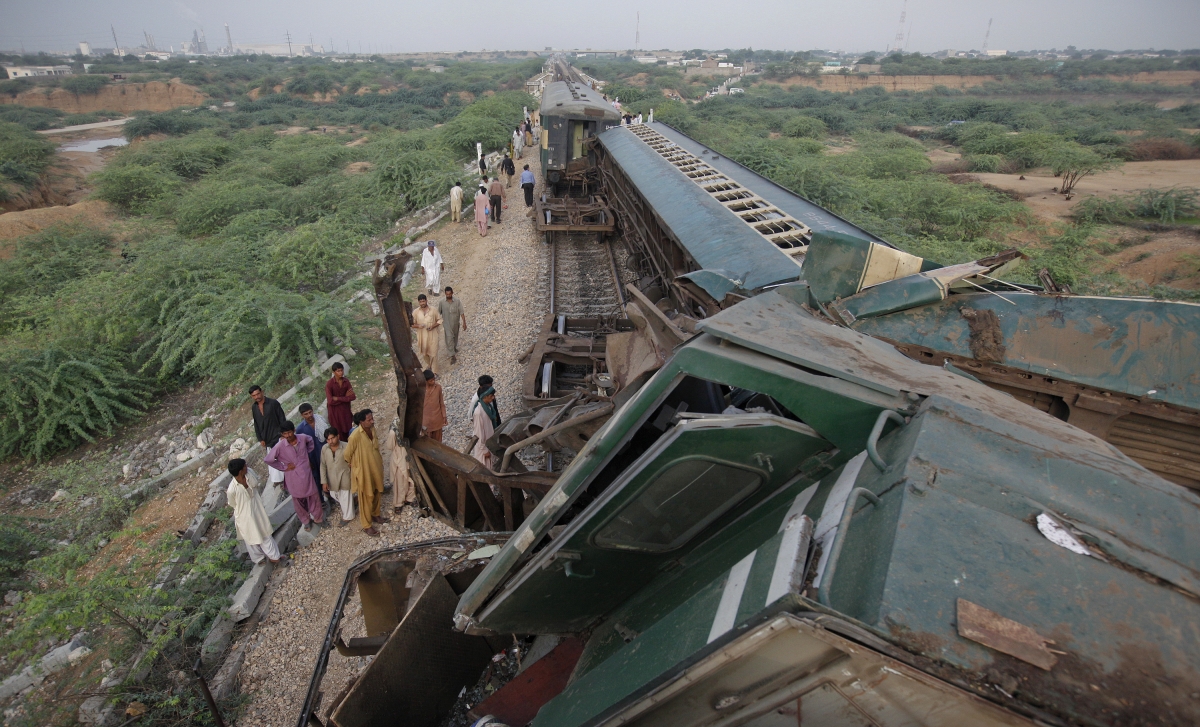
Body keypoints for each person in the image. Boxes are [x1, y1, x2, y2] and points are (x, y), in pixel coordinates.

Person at [264, 421, 324, 531]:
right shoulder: (280, 446)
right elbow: (268, 459)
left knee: (313, 496)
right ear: (282, 434)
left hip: (306, 473)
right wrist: (284, 467)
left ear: (294, 430)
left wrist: (306, 456)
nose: (288, 435)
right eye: (285, 434)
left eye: (289, 432)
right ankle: (306, 521)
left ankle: (318, 518)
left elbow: (310, 442)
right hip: (293, 476)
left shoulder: (302, 438)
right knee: (298, 500)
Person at [226, 459, 282, 566]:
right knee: (251, 537)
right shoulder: (232, 490)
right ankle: (258, 558)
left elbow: (255, 483)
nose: (247, 467)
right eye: (244, 466)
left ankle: (274, 557)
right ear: (240, 471)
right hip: (244, 515)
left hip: (257, 508)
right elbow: (233, 503)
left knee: (265, 532)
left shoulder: (249, 473)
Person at [344, 409, 387, 536]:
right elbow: (347, 455)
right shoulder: (355, 436)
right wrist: (355, 465)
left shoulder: (372, 429)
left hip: (376, 468)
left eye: (372, 418)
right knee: (366, 497)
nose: (372, 421)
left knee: (377, 491)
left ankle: (375, 514)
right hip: (364, 471)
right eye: (369, 420)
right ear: (361, 422)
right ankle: (367, 525)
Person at [250, 385, 288, 487]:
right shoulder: (254, 407)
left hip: (278, 436)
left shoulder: (273, 403)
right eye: (254, 395)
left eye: (258, 394)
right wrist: (260, 438)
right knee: (273, 459)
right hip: (267, 438)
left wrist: (284, 433)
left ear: (262, 392)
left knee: (283, 458)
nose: (257, 397)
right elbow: (256, 424)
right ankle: (279, 481)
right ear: (251, 397)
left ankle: (287, 480)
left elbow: (282, 418)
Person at [296, 403, 330, 508]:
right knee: (316, 478)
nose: (309, 415)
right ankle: (321, 501)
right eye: (306, 414)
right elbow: (301, 448)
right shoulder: (300, 429)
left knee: (329, 474)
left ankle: (332, 496)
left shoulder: (321, 421)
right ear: (302, 415)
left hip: (325, 453)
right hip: (312, 457)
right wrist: (308, 461)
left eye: (310, 412)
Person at [320, 427, 354, 527]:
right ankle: (352, 504)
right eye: (328, 439)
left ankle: (348, 517)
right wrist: (324, 481)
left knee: (345, 496)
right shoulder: (325, 449)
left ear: (338, 436)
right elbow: (323, 465)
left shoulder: (346, 446)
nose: (331, 441)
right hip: (331, 478)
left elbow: (353, 461)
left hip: (345, 476)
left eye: (332, 438)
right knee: (335, 495)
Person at [471, 386, 501, 470]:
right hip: (483, 446)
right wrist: (484, 450)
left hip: (489, 441)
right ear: (484, 397)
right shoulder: (478, 412)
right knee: (484, 469)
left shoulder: (488, 407)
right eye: (491, 396)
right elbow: (478, 432)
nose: (493, 398)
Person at [437, 286, 467, 365]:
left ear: (452, 293)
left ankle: (454, 348)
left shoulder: (457, 301)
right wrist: (436, 323)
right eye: (447, 294)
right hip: (447, 324)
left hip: (455, 323)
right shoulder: (442, 302)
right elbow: (438, 313)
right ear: (445, 294)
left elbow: (461, 312)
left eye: (450, 294)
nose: (448, 295)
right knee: (449, 338)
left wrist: (464, 323)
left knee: (455, 337)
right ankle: (452, 355)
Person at [412, 294, 442, 373]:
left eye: (423, 301)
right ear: (418, 302)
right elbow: (412, 324)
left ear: (426, 301)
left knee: (434, 354)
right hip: (422, 337)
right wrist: (418, 326)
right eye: (421, 302)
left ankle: (435, 372)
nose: (422, 303)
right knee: (425, 354)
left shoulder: (433, 310)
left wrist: (432, 326)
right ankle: (429, 365)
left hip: (433, 335)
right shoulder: (415, 312)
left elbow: (439, 320)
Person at [325, 362, 356, 440]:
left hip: (345, 410)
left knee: (348, 430)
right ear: (333, 372)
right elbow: (330, 401)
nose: (341, 372)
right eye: (338, 371)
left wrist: (338, 398)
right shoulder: (329, 384)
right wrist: (345, 398)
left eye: (342, 370)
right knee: (338, 433)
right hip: (335, 413)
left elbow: (353, 397)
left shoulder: (346, 381)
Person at [422, 370, 447, 442]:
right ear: (426, 381)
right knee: (428, 442)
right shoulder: (421, 390)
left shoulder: (438, 387)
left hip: (437, 420)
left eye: (434, 379)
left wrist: (444, 415)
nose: (433, 381)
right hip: (426, 422)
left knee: (438, 442)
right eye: (431, 380)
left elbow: (441, 403)